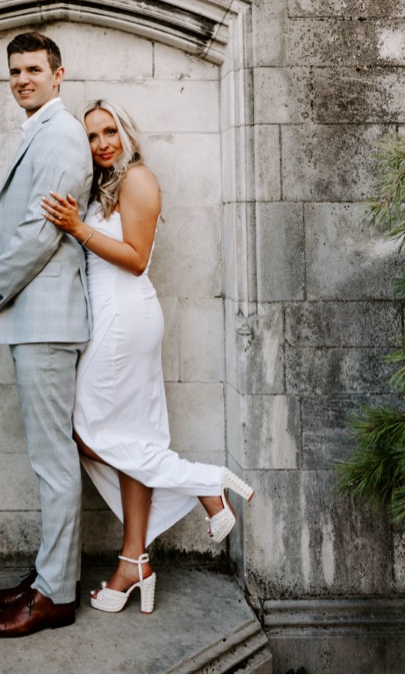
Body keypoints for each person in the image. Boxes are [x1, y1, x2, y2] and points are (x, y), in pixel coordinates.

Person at [40, 100, 254, 614]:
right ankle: (134, 561)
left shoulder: (138, 178)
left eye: (109, 131)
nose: (101, 143)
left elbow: (135, 259)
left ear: (126, 131)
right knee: (130, 438)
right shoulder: (103, 187)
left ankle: (206, 482)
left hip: (125, 320)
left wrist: (77, 228)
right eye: (91, 136)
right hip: (113, 322)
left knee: (87, 433)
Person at [0, 32, 92, 641]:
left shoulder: (63, 136)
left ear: (58, 75)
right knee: (50, 459)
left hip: (45, 319)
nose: (22, 79)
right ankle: (49, 573)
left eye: (33, 70)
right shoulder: (40, 131)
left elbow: (41, 233)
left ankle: (55, 596)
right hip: (37, 319)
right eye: (14, 71)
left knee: (53, 462)